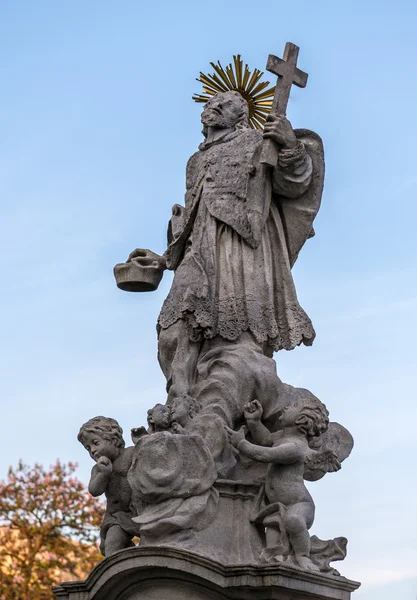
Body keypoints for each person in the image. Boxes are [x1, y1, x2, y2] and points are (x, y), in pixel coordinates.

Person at [123, 89, 324, 454]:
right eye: (209, 103)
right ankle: (180, 398)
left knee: (233, 339)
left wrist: (288, 145)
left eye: (225, 104)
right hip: (199, 250)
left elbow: (293, 184)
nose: (213, 107)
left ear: (241, 115)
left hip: (242, 249)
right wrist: (164, 259)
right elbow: (193, 218)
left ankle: (205, 408)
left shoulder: (256, 142)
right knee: (172, 327)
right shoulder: (194, 162)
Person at [226, 397, 340, 570]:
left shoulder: (295, 448)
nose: (287, 406)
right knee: (273, 544)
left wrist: (241, 443)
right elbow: (265, 440)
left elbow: (265, 455)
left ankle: (303, 556)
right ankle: (278, 559)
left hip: (300, 504)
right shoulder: (281, 437)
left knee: (293, 520)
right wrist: (254, 421)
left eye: (293, 406)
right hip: (276, 505)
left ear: (301, 419)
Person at [78, 416, 140, 556]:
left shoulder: (131, 453)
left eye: (95, 443)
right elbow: (94, 490)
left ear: (113, 439)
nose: (92, 450)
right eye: (88, 448)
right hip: (116, 516)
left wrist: (143, 439)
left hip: (138, 510)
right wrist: (103, 474)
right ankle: (122, 573)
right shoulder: (98, 469)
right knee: (110, 546)